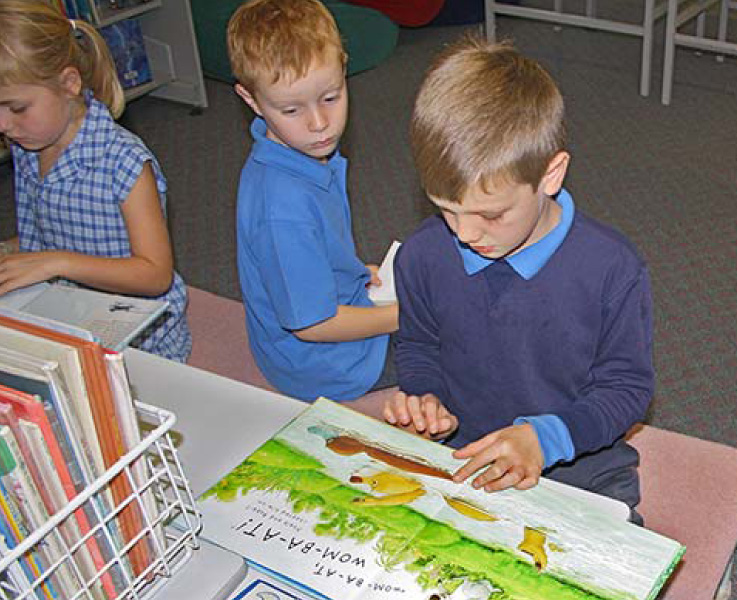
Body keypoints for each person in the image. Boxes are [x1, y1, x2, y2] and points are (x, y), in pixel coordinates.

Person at [383, 36, 654, 522]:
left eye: (490, 215)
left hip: (578, 464)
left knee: (605, 559)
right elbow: (418, 346)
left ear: (551, 175)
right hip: (465, 452)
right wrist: (425, 398)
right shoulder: (423, 255)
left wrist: (546, 440)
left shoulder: (611, 268)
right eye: (446, 209)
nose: (465, 234)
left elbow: (626, 389)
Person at [226, 0, 398, 403]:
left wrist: (349, 272)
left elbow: (316, 247)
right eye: (291, 109)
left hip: (323, 327)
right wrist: (402, 318)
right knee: (463, 342)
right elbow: (313, 326)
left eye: (330, 98)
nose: (319, 124)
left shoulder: (300, 155)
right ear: (251, 100)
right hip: (325, 363)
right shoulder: (282, 208)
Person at [0, 0, 191, 362]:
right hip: (67, 312)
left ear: (69, 83)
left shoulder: (124, 163)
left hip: (137, 338)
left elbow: (155, 275)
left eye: (17, 108)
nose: (3, 125)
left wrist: (55, 262)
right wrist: (13, 250)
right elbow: (50, 229)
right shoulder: (28, 146)